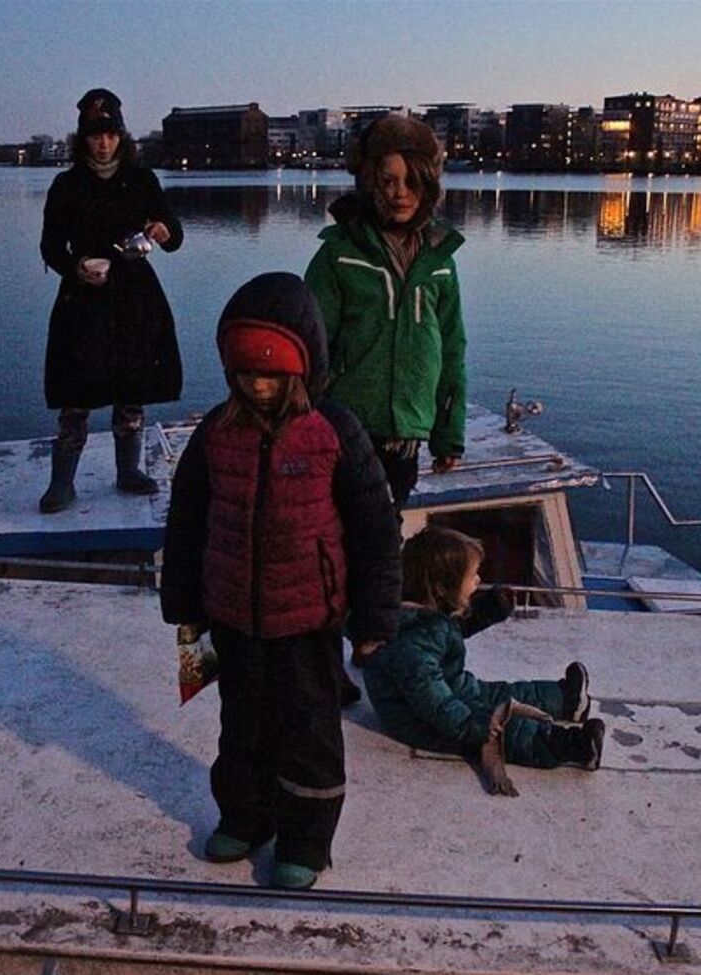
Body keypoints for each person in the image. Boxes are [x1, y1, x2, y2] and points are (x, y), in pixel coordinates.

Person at [160, 272, 400, 890]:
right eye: (246, 374)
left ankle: (305, 841)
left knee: (309, 733)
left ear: (302, 369)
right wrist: (184, 603)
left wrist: (374, 619)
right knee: (241, 725)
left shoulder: (334, 431)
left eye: (271, 374)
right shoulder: (216, 434)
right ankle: (245, 817)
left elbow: (376, 528)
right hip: (232, 617)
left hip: (308, 622)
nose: (258, 386)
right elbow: (187, 521)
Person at [305, 114, 467, 517]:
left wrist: (448, 436)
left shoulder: (440, 261)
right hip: (346, 429)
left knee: (385, 533)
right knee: (342, 531)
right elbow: (309, 348)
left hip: (405, 436)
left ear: (430, 184)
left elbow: (451, 350)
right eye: (388, 180)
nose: (401, 193)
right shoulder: (339, 255)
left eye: (413, 181)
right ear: (369, 180)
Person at [362, 526, 605, 790]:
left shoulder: (426, 615)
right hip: (421, 720)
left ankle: (566, 699)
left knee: (500, 693)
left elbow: (453, 630)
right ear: (442, 587)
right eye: (472, 575)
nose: (478, 580)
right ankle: (572, 746)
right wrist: (476, 725)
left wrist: (491, 608)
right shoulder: (410, 646)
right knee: (507, 730)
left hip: (451, 687)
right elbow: (435, 704)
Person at [38, 87, 183, 513]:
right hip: (83, 299)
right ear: (82, 138)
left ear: (122, 136)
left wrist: (164, 231)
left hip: (135, 296)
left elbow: (174, 236)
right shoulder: (66, 186)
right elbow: (50, 247)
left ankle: (129, 471)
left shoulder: (142, 180)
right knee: (76, 392)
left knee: (132, 385)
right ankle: (62, 483)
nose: (103, 143)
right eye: (95, 135)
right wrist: (76, 267)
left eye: (110, 134)